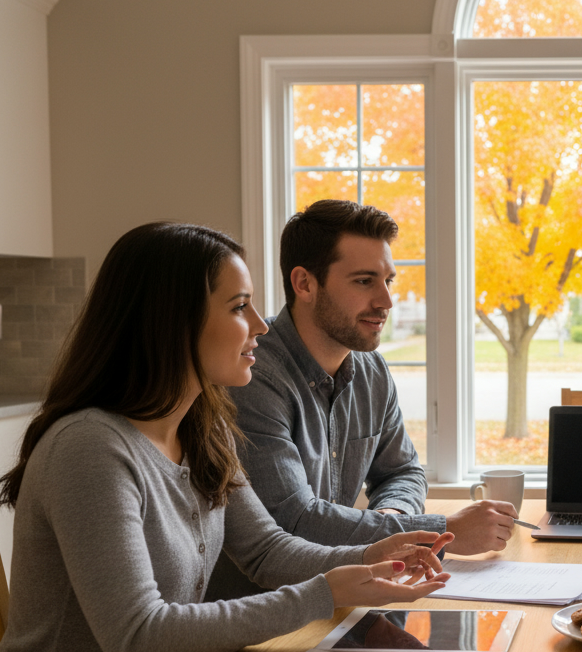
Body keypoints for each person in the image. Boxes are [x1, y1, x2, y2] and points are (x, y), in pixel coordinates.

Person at [0, 223, 453, 652]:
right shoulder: (90, 448)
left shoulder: (203, 429)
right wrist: (321, 593)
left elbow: (268, 552)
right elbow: (141, 639)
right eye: (238, 307)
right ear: (172, 322)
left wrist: (369, 558)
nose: (261, 326)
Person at [206, 199, 516, 601]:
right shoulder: (250, 378)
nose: (386, 301)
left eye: (389, 281)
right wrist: (443, 531)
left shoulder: (371, 371)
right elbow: (294, 521)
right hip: (260, 616)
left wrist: (392, 520)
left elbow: (402, 471)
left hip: (342, 599)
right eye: (365, 281)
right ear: (304, 284)